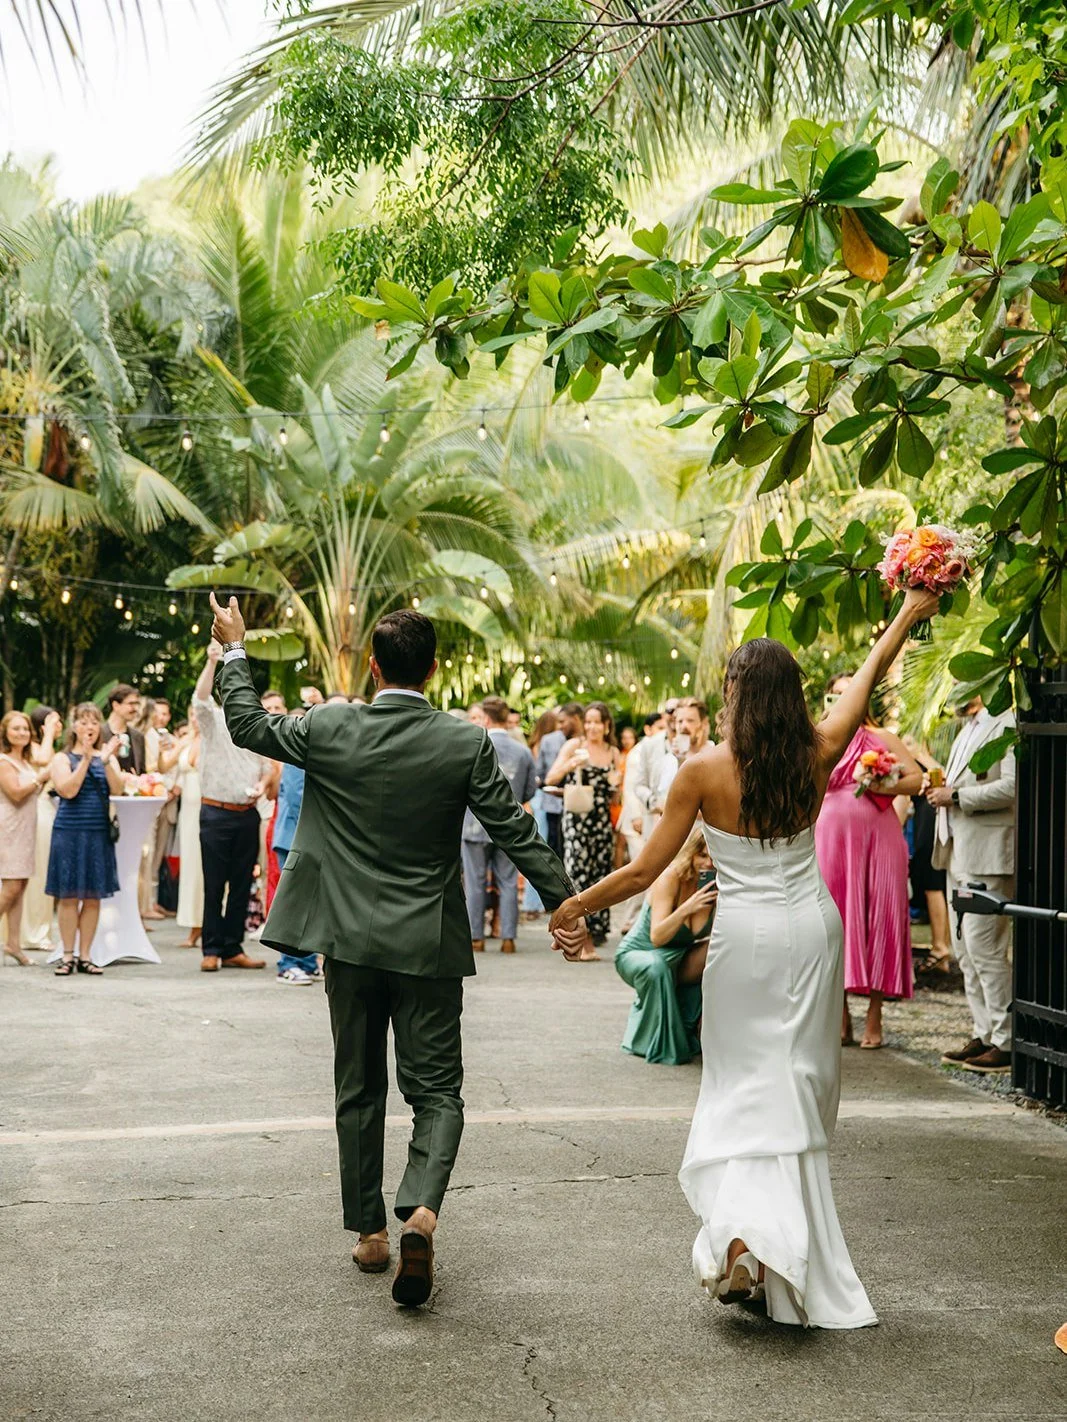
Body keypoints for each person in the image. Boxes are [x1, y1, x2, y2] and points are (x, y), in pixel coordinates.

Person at [550, 587, 940, 1329]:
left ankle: (744, 1241)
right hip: (812, 932)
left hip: (745, 940)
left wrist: (574, 905)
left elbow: (643, 871)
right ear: (792, 695)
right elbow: (868, 673)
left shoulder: (701, 771)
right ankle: (767, 1248)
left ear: (734, 694)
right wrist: (908, 610)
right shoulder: (819, 750)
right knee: (796, 1083)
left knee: (740, 1086)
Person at [209, 594, 575, 1309]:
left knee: (358, 1085)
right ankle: (422, 1214)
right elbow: (512, 828)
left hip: (346, 942)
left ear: (373, 668)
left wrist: (235, 648)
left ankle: (371, 1234)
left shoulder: (329, 725)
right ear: (433, 670)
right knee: (436, 1090)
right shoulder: (463, 742)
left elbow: (246, 723)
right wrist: (567, 904)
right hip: (428, 941)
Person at [814, 675, 922, 1049]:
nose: (844, 700)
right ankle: (841, 1016)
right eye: (836, 695)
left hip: (880, 838)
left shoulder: (883, 738)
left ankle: (875, 1015)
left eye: (851, 693)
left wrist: (882, 783)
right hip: (831, 841)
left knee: (881, 917)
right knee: (834, 920)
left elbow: (916, 780)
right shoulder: (818, 739)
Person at [927, 694, 1016, 1074]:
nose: (955, 692)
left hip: (988, 853)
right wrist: (942, 789)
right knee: (964, 951)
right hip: (956, 851)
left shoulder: (1007, 723)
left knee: (985, 948)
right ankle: (984, 1033)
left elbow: (1012, 787)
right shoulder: (966, 729)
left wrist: (957, 796)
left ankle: (1006, 1040)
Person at [193, 643, 272, 972]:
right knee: (214, 884)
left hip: (246, 813)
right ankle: (210, 949)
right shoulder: (213, 719)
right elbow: (200, 699)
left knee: (242, 884)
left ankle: (232, 948)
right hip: (216, 812)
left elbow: (266, 767)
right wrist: (212, 661)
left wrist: (263, 785)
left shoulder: (255, 725)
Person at [614, 829, 716, 1066]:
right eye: (702, 855)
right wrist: (687, 907)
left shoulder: (717, 886)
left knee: (719, 952)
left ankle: (701, 1029)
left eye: (714, 858)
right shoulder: (671, 877)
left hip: (676, 957)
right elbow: (657, 937)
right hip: (640, 954)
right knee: (657, 966)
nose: (708, 864)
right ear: (690, 854)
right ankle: (655, 1043)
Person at [46, 703, 124, 975]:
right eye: (83, 722)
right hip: (68, 831)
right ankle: (68, 955)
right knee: (68, 896)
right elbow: (67, 790)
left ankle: (86, 955)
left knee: (92, 896)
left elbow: (118, 790)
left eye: (94, 722)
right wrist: (88, 759)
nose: (89, 727)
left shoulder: (107, 757)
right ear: (74, 726)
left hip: (98, 832)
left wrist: (106, 761)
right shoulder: (62, 758)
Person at [462, 696, 537, 954]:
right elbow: (530, 790)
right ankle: (508, 938)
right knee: (508, 881)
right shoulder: (522, 751)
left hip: (474, 824)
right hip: (509, 825)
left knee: (474, 882)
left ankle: (476, 937)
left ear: (485, 717)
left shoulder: (472, 746)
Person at [545, 700, 621, 954]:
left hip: (601, 820)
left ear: (606, 725)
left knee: (601, 874)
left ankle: (597, 930)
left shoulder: (612, 752)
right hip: (577, 820)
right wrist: (572, 764)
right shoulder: (574, 746)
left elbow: (615, 796)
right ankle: (578, 930)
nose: (592, 727)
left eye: (597, 722)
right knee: (577, 872)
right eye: (588, 722)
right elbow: (551, 777)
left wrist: (616, 784)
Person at [0, 711, 51, 964]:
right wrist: (40, 779)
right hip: (9, 829)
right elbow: (16, 793)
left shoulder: (26, 762)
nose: (21, 733)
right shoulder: (4, 762)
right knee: (10, 887)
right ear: (5, 733)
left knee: (20, 887)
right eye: (16, 729)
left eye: (25, 729)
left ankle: (13, 944)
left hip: (25, 828)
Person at [900, 735, 953, 972]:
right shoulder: (908, 768)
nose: (905, 746)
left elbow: (946, 778)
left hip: (930, 824)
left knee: (934, 885)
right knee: (931, 884)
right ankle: (941, 946)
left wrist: (921, 755)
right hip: (923, 821)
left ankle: (940, 947)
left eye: (910, 742)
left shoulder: (926, 764)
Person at [273, 756, 321, 984]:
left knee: (310, 903)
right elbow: (295, 794)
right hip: (294, 834)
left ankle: (308, 963)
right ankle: (288, 964)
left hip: (307, 835)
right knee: (294, 903)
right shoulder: (297, 751)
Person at [21, 706, 63, 950]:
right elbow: (45, 761)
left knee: (43, 871)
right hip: (37, 812)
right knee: (36, 872)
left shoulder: (46, 748)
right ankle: (33, 933)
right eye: (56, 722)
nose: (60, 727)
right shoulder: (35, 749)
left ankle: (39, 929)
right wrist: (47, 733)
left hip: (48, 810)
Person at [521, 710, 560, 918]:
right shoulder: (548, 745)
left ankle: (534, 902)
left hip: (535, 798)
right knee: (541, 850)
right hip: (544, 800)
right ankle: (532, 903)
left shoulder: (533, 745)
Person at [175, 709, 204, 947]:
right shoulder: (186, 740)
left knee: (205, 867)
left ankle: (205, 924)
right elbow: (164, 764)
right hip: (188, 811)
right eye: (191, 713)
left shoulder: (215, 738)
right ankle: (193, 922)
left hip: (208, 807)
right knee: (191, 867)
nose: (195, 718)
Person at [533, 705, 572, 858]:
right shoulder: (582, 741)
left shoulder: (548, 740)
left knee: (553, 844)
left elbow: (539, 772)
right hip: (572, 802)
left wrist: (544, 785)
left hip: (552, 800)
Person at [657, 697, 712, 804]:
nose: (684, 726)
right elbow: (664, 800)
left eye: (690, 720)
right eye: (680, 721)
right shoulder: (670, 759)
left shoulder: (713, 755)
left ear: (703, 723)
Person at [628, 706, 671, 830]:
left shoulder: (669, 748)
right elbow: (631, 787)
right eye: (660, 728)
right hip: (643, 814)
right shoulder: (637, 752)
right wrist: (636, 816)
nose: (664, 732)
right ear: (648, 729)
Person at [106, 684, 146, 777]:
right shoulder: (99, 733)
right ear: (116, 705)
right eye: (131, 704)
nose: (135, 709)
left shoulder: (138, 737)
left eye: (137, 704)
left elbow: (142, 772)